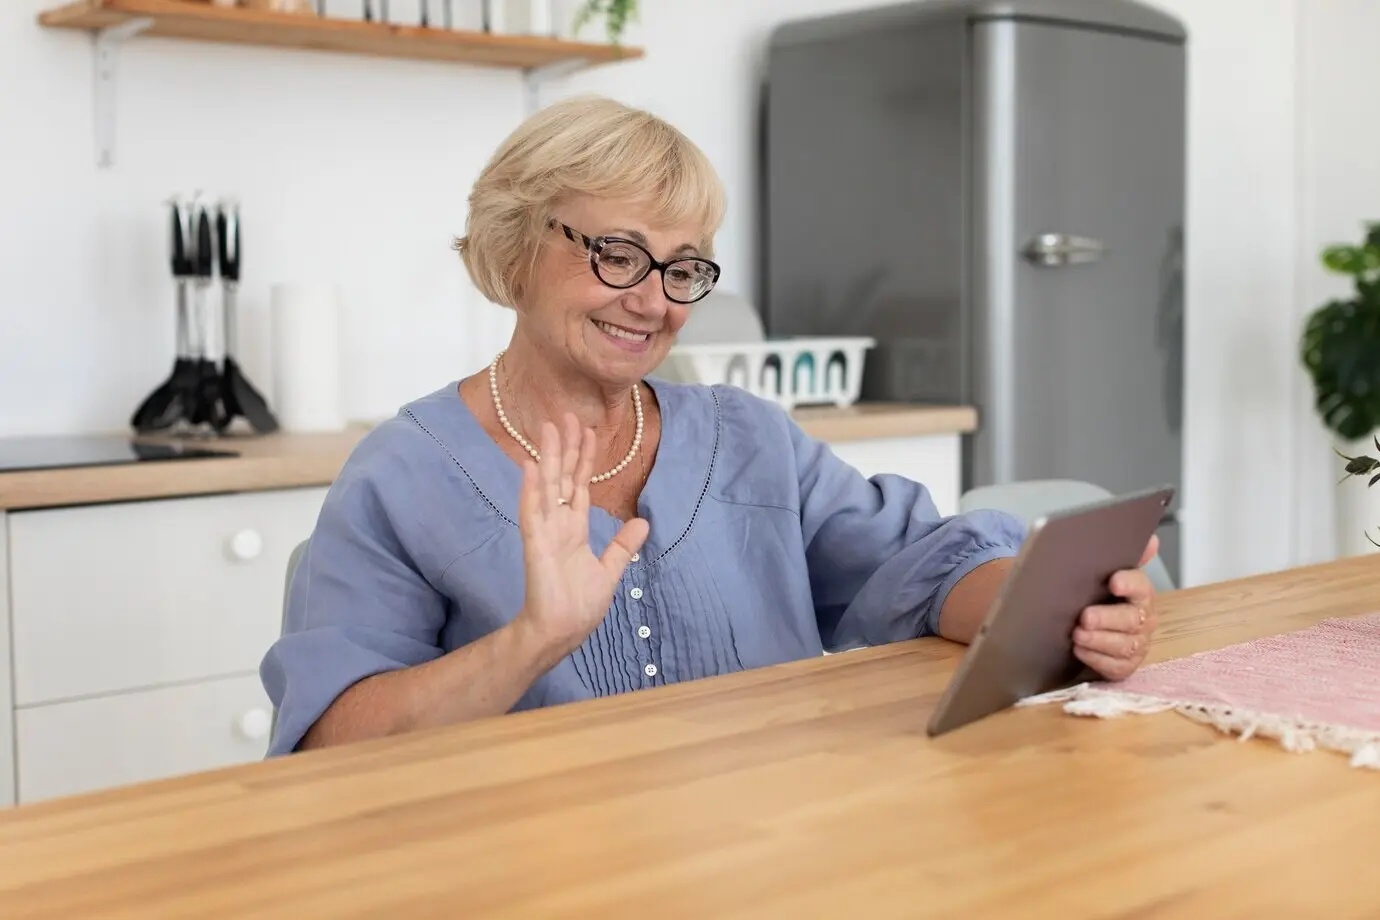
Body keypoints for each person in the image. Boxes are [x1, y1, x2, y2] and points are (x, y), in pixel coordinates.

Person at [260, 95, 1161, 757]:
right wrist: (531, 640)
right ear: (516, 244)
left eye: (684, 267)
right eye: (618, 254)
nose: (652, 300)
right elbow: (332, 742)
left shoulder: (748, 438)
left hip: (767, 854)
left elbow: (924, 567)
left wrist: (1051, 606)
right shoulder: (400, 475)